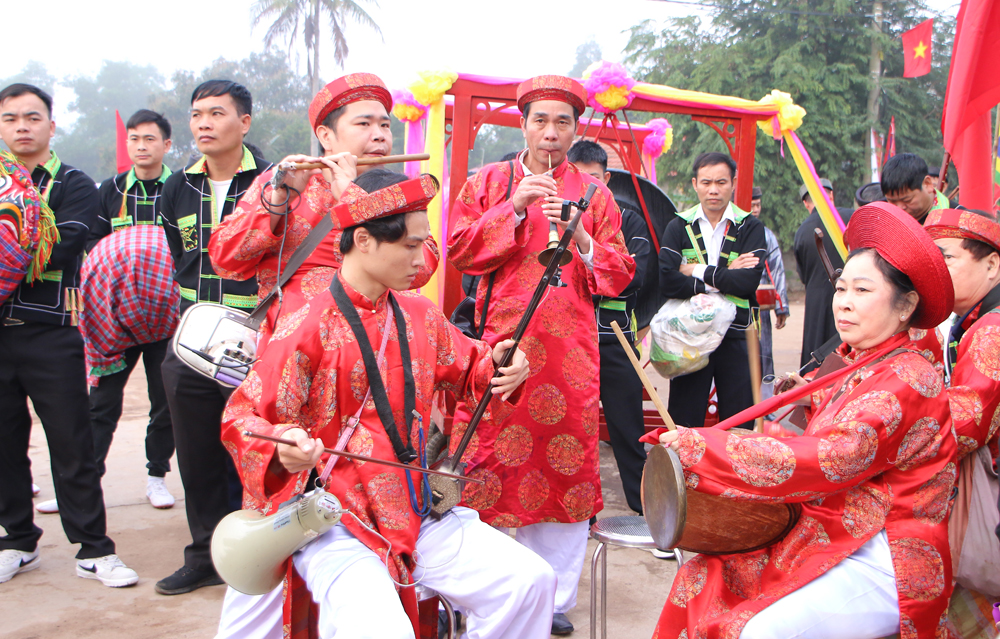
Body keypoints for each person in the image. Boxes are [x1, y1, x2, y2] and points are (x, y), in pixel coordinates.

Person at [216, 171, 557, 639]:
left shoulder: (420, 314)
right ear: (363, 240)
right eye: (411, 246)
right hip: (337, 519)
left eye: (424, 244)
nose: (421, 259)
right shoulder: (307, 325)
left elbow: (473, 366)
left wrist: (504, 363)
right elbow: (242, 419)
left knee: (530, 581)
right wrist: (282, 443)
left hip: (416, 508)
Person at [649, 201, 957, 639]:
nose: (844, 303)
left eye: (862, 291)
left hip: (885, 552)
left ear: (906, 305)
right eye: (841, 288)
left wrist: (707, 447)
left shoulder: (909, 378)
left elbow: (831, 458)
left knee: (759, 631)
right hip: (833, 527)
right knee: (703, 574)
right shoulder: (864, 361)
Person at [447, 75, 635, 635]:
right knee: (485, 467)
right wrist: (512, 208)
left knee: (563, 470)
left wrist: (583, 241)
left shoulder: (596, 194)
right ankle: (483, 592)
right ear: (523, 125)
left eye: (562, 122)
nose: (551, 133)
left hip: (569, 358)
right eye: (540, 121)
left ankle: (552, 599)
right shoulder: (487, 182)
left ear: (575, 129)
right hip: (499, 351)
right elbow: (459, 251)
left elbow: (621, 275)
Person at [0, 83, 138, 586]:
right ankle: (17, 541)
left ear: (51, 126)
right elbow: (33, 242)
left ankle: (93, 549)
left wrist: (13, 245)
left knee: (72, 444)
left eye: (32, 117)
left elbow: (61, 245)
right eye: (10, 118)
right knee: (4, 445)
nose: (22, 126)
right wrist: (20, 238)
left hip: (51, 333)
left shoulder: (74, 183)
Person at [208, 73, 439, 351]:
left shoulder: (397, 191)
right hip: (293, 348)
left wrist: (353, 199)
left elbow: (423, 267)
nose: (379, 135)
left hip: (371, 346)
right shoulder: (283, 182)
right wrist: (277, 202)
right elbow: (224, 259)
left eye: (385, 125)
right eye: (364, 123)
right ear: (325, 135)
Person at [155, 80, 272, 596]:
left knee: (256, 450)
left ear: (244, 122)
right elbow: (177, 254)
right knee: (196, 451)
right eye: (197, 113)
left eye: (216, 113)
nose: (203, 123)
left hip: (258, 337)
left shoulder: (273, 181)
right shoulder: (177, 186)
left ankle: (261, 555)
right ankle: (205, 554)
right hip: (192, 337)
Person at [47, 109, 176, 513]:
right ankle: (84, 484)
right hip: (114, 316)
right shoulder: (111, 189)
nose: (141, 146)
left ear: (166, 145)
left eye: (149, 139)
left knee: (165, 401)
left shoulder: (182, 187)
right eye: (133, 139)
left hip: (167, 315)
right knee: (100, 403)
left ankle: (157, 476)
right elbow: (92, 241)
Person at [567, 139, 651, 516]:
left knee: (629, 430)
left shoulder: (629, 221)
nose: (588, 189)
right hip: (569, 343)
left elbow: (637, 277)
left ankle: (643, 506)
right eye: (580, 178)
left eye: (595, 179)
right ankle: (576, 516)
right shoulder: (557, 219)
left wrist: (597, 269)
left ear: (608, 179)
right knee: (570, 430)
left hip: (615, 339)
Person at [659, 152, 766, 429]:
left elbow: (747, 283)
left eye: (721, 182)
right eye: (706, 182)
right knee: (684, 420)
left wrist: (694, 269)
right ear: (695, 184)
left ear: (733, 183)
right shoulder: (678, 226)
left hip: (738, 333)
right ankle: (685, 459)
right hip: (690, 334)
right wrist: (726, 274)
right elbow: (667, 281)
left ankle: (732, 461)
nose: (713, 190)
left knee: (740, 421)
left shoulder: (750, 227)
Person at [922, 208, 1000, 461]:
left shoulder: (993, 329)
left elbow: (964, 423)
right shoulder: (967, 318)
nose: (934, 270)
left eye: (946, 258)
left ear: (991, 265)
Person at [793, 177, 847, 373]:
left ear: (806, 203)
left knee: (815, 363)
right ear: (831, 196)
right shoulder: (849, 218)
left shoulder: (802, 231)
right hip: (851, 301)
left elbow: (803, 275)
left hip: (817, 307)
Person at [749, 186, 789, 400]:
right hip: (732, 304)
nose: (755, 210)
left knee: (763, 354)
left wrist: (781, 307)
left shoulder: (766, 235)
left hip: (760, 305)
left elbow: (776, 270)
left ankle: (764, 404)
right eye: (751, 205)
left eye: (758, 205)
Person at [881, 153, 949, 224]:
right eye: (892, 201)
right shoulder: (878, 215)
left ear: (927, 184)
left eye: (907, 200)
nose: (900, 208)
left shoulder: (954, 217)